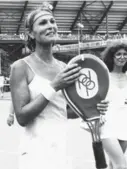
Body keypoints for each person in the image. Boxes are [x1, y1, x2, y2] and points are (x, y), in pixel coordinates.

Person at [10, 2, 108, 169]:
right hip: (33, 155)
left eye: (52, 22)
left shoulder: (65, 67)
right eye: (43, 23)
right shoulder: (21, 66)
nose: (50, 26)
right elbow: (22, 117)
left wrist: (92, 108)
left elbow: (66, 111)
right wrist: (54, 85)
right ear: (31, 33)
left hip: (61, 153)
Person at [100, 40, 127, 169]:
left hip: (124, 122)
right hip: (107, 123)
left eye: (125, 54)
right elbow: (95, 99)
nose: (122, 57)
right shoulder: (104, 76)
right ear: (112, 57)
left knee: (113, 164)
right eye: (119, 54)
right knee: (121, 165)